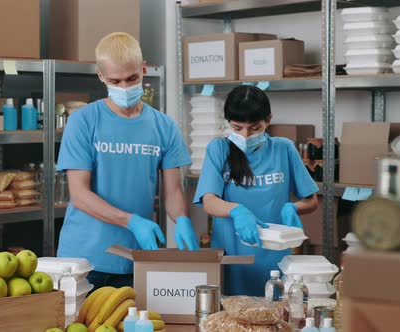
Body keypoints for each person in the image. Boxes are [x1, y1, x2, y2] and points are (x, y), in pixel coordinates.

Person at [56, 32, 199, 291]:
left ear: (143, 69)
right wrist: (132, 221)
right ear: (101, 77)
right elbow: (79, 194)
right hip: (83, 262)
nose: (124, 87)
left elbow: (174, 191)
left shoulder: (164, 126)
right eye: (115, 80)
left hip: (136, 259)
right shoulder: (84, 122)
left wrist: (182, 220)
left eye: (132, 78)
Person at [193, 85, 319, 296]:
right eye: (237, 128)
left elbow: (311, 200)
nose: (245, 135)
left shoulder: (284, 148)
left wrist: (292, 208)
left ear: (268, 120)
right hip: (233, 259)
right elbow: (209, 200)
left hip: (276, 260)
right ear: (228, 123)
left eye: (255, 128)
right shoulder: (218, 149)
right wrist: (236, 210)